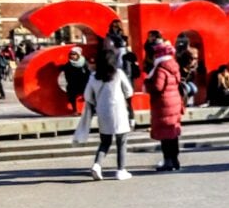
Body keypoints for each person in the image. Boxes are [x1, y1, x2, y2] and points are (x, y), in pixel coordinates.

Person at [82, 47, 134, 181]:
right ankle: (121, 170)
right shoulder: (118, 73)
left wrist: (96, 102)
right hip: (119, 111)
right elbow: (129, 91)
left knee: (105, 141)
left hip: (102, 111)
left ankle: (97, 165)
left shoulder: (93, 76)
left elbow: (87, 95)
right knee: (121, 141)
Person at [145, 41, 183, 171]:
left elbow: (157, 87)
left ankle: (168, 161)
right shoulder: (174, 66)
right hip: (175, 102)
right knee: (173, 133)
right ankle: (175, 160)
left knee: (165, 135)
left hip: (164, 104)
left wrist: (147, 83)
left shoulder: (161, 68)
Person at [61, 47, 90, 114]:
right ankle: (75, 109)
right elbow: (67, 76)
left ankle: (89, 109)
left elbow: (89, 73)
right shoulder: (68, 65)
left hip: (84, 83)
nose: (72, 56)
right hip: (73, 84)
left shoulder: (85, 63)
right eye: (71, 54)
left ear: (78, 55)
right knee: (71, 90)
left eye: (74, 54)